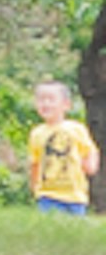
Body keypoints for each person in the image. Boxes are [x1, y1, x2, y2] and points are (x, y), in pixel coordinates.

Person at [30, 83, 97, 216]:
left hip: (74, 194)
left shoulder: (76, 129)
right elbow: (35, 161)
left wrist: (91, 165)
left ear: (66, 105)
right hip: (47, 193)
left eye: (51, 99)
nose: (46, 104)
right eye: (41, 100)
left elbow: (90, 150)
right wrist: (34, 185)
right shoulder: (36, 133)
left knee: (74, 230)